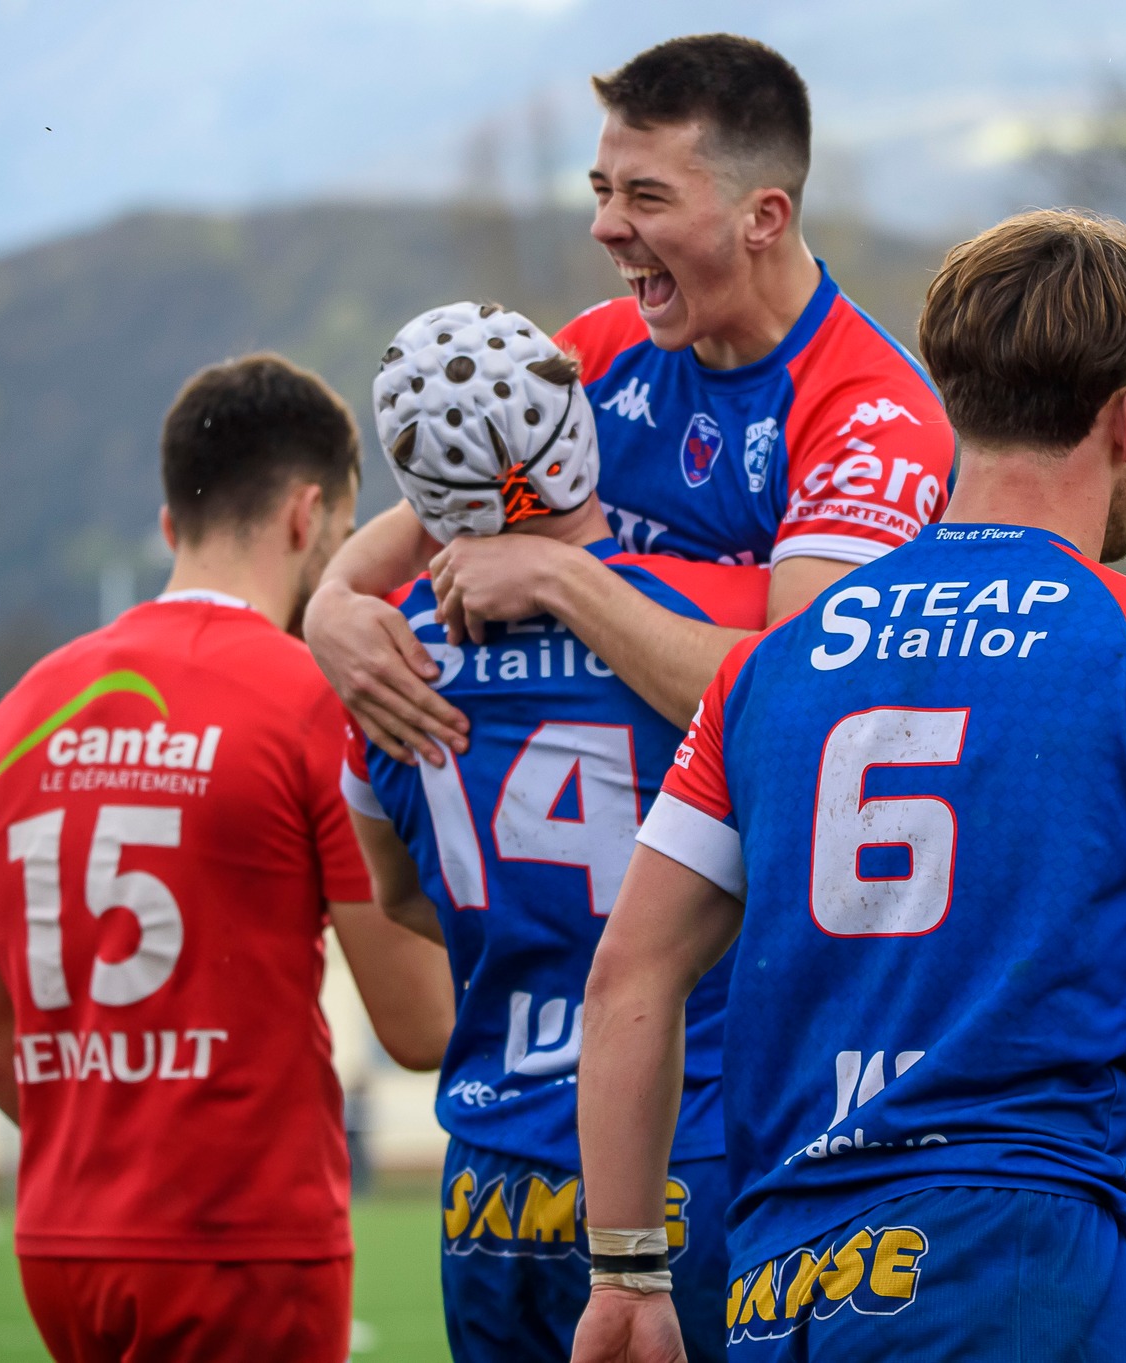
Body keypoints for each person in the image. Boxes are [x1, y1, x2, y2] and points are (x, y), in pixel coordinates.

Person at [570, 210, 1126, 1363]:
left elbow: (626, 980)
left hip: (781, 1284)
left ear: (960, 406)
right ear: (1124, 418)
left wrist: (628, 1271)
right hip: (1014, 1270)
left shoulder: (768, 665)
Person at [0, 354, 454, 1363]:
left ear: (171, 522)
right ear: (309, 518)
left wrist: (118, 1127)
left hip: (63, 1240)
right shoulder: (310, 698)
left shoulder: (11, 716)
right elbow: (422, 1022)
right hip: (243, 1243)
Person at [304, 33, 953, 759]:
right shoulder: (603, 346)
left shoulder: (874, 419)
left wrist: (558, 577)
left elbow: (799, 700)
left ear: (764, 219)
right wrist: (330, 608)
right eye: (602, 190)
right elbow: (441, 506)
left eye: (646, 196)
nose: (605, 226)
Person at [341, 302, 766, 1362]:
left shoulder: (387, 665)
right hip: (690, 1143)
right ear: (580, 432)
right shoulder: (712, 616)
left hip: (494, 1177)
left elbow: (400, 895)